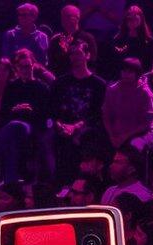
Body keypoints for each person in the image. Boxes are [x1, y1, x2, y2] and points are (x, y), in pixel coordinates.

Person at [0, 49, 54, 183]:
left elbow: (46, 113)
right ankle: (11, 183)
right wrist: (15, 110)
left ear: (33, 65)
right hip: (13, 125)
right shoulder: (11, 87)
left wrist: (30, 110)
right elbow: (4, 111)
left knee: (16, 126)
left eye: (27, 66)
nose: (25, 70)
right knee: (13, 138)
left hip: (33, 126)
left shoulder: (41, 87)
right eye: (21, 67)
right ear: (17, 68)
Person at [49, 38, 106, 170]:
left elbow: (98, 113)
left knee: (82, 138)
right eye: (72, 54)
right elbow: (52, 109)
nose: (75, 57)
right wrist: (59, 124)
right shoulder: (60, 83)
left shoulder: (99, 85)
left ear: (87, 55)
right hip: (62, 127)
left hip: (87, 127)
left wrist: (76, 126)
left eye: (78, 53)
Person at [101, 57, 153, 152]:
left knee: (134, 145)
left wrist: (124, 137)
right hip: (115, 135)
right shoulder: (112, 90)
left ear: (137, 73)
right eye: (124, 71)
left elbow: (146, 123)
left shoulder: (145, 93)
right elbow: (106, 115)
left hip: (139, 135)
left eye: (130, 72)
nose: (126, 74)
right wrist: (112, 135)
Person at [48, 3, 99, 76]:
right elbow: (52, 63)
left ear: (77, 18)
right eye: (63, 17)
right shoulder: (56, 40)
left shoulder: (88, 38)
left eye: (68, 16)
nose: (64, 19)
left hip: (82, 77)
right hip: (61, 78)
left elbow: (92, 62)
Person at [106, 4, 153, 76]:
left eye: (135, 19)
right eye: (130, 19)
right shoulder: (118, 39)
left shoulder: (148, 41)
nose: (133, 22)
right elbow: (115, 59)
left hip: (141, 75)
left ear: (141, 20)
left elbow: (149, 62)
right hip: (122, 74)